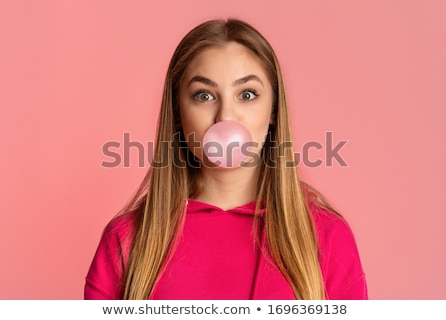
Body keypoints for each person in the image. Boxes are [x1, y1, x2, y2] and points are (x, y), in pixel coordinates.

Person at [84, 18, 368, 300]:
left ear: (273, 110)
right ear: (178, 112)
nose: (226, 116)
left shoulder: (327, 238)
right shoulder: (126, 240)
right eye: (204, 95)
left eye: (247, 94)